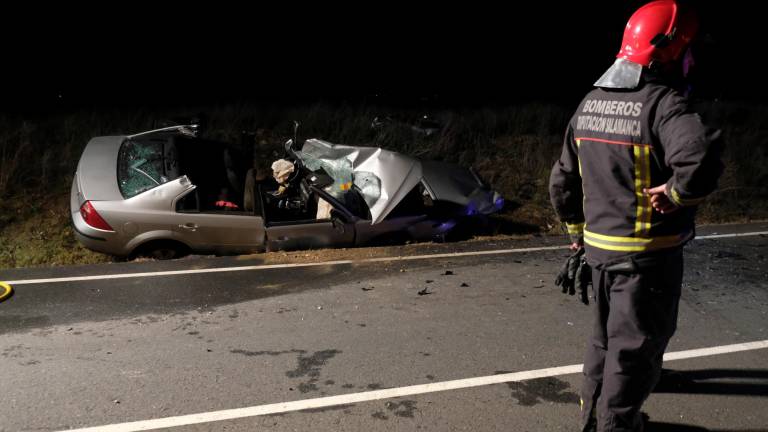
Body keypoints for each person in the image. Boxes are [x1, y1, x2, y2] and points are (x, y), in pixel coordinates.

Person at [548, 1, 724, 430]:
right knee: (637, 350)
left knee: (603, 343)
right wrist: (678, 194)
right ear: (667, 51)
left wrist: (576, 235)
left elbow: (561, 183)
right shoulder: (664, 106)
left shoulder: (588, 104)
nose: (692, 58)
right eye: (687, 49)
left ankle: (593, 417)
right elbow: (700, 157)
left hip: (599, 254)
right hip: (647, 260)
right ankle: (617, 425)